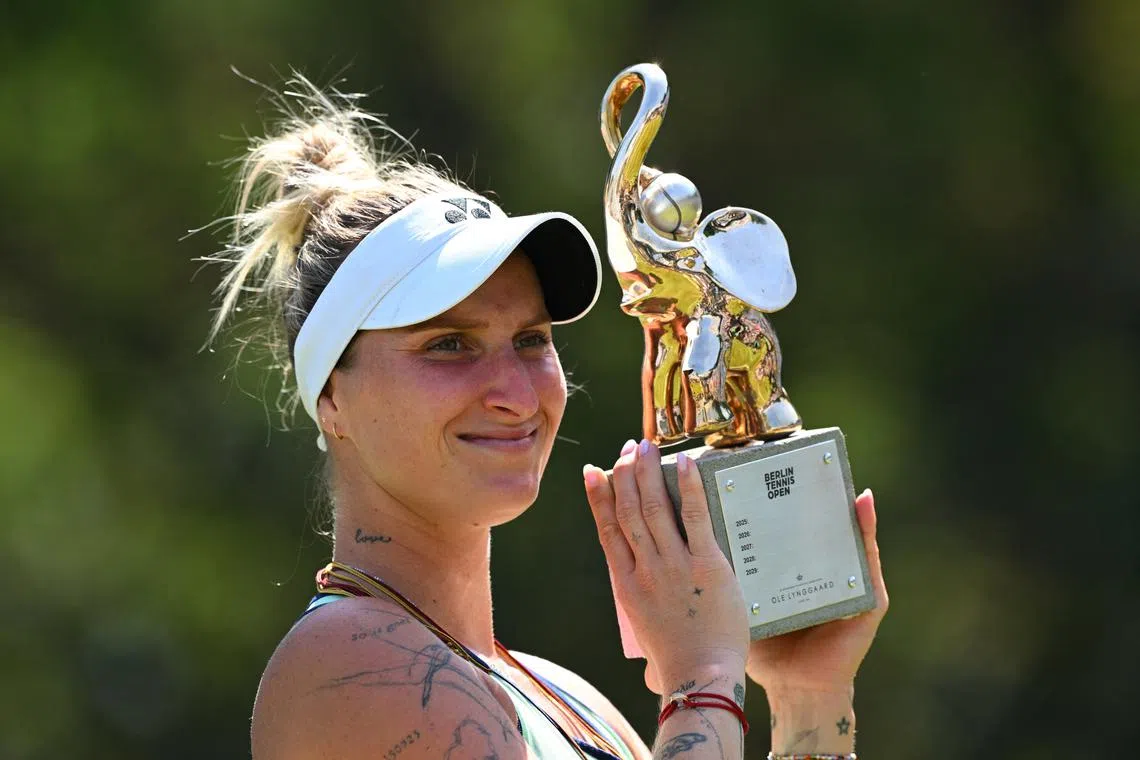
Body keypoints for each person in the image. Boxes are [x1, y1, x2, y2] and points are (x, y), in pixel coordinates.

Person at [208, 77, 889, 760]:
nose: (516, 392)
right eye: (449, 345)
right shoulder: (345, 665)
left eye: (531, 341)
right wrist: (705, 676)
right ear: (333, 398)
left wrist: (808, 698)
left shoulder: (568, 698)